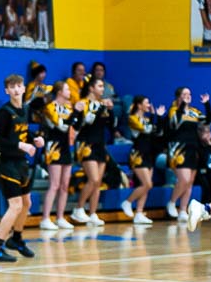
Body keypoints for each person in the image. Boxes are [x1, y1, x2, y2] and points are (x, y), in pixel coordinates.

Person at [0, 74, 44, 263]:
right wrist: (20, 145)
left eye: (19, 86)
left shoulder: (25, 110)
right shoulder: (5, 111)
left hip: (21, 164)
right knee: (16, 205)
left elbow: (24, 131)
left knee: (27, 203)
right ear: (7, 91)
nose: (16, 89)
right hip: (8, 164)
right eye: (12, 87)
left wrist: (35, 138)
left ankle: (17, 239)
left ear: (24, 88)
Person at [70, 78, 114, 227]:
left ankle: (93, 213)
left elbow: (110, 124)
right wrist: (101, 108)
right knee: (93, 179)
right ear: (91, 88)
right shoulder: (84, 103)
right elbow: (82, 124)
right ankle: (78, 208)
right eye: (100, 86)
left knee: (98, 182)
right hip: (86, 143)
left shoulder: (102, 104)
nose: (103, 89)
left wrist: (110, 110)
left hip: (100, 143)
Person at [166, 87, 211, 222]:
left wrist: (207, 104)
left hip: (193, 149)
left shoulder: (194, 112)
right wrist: (182, 106)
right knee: (184, 180)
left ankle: (183, 210)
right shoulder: (174, 110)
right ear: (178, 97)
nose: (188, 96)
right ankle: (172, 202)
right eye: (184, 94)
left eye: (189, 94)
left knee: (190, 182)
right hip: (178, 150)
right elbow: (174, 123)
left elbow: (207, 120)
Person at [38, 81, 79, 230]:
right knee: (54, 184)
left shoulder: (68, 107)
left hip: (66, 146)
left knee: (64, 185)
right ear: (60, 92)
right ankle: (45, 218)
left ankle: (60, 217)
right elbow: (61, 126)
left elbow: (75, 125)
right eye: (68, 89)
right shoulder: (50, 107)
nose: (70, 92)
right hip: (54, 146)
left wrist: (77, 114)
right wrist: (75, 113)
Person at [120, 96, 165, 225]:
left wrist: (159, 117)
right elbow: (146, 129)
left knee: (146, 186)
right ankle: (127, 202)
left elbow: (158, 132)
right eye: (146, 103)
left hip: (148, 154)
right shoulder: (132, 118)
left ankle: (139, 212)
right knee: (147, 184)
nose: (148, 104)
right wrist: (152, 117)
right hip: (138, 154)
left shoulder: (146, 119)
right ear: (139, 105)